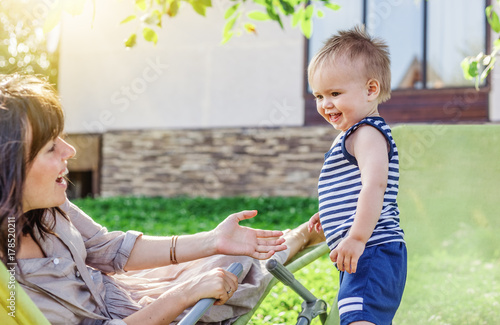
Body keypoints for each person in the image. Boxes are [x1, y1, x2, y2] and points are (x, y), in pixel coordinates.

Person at [0, 74, 323, 325]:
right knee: (221, 281)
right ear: (10, 169)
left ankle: (294, 237)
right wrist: (184, 294)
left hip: (130, 294)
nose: (69, 151)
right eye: (49, 148)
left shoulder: (47, 208)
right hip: (144, 318)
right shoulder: (8, 289)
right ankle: (297, 237)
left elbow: (108, 248)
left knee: (228, 257)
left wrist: (211, 241)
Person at [306, 26, 407, 325]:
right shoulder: (352, 134)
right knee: (357, 316)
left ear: (371, 89)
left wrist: (357, 237)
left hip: (373, 250)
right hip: (365, 251)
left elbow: (374, 186)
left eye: (335, 93)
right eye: (319, 95)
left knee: (359, 318)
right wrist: (332, 214)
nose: (326, 104)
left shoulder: (367, 133)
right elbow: (354, 188)